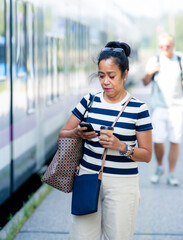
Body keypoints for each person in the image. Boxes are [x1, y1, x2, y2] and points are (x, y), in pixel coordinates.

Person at [59, 41, 153, 240]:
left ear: (125, 74)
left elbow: (146, 154)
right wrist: (78, 133)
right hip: (87, 177)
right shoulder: (89, 100)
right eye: (101, 76)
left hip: (123, 185)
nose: (105, 82)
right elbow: (63, 133)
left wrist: (121, 146)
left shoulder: (139, 109)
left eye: (112, 76)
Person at [142, 32, 183, 186]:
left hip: (177, 108)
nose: (165, 48)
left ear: (173, 45)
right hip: (159, 107)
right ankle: (160, 166)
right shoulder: (155, 60)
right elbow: (145, 82)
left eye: (167, 45)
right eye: (162, 46)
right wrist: (150, 72)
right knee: (158, 140)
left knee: (175, 140)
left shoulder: (180, 60)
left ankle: (171, 173)